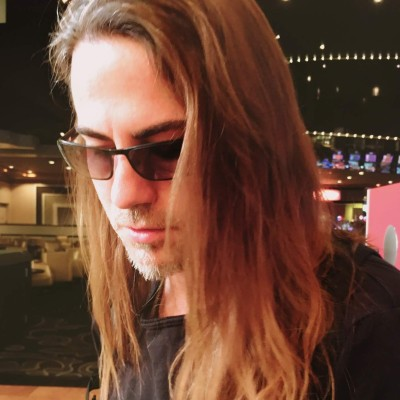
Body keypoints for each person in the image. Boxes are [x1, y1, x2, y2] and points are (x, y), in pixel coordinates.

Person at [49, 0, 400, 399]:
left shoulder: (366, 329)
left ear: (256, 142)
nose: (123, 195)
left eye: (169, 149)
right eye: (97, 151)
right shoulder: (131, 284)